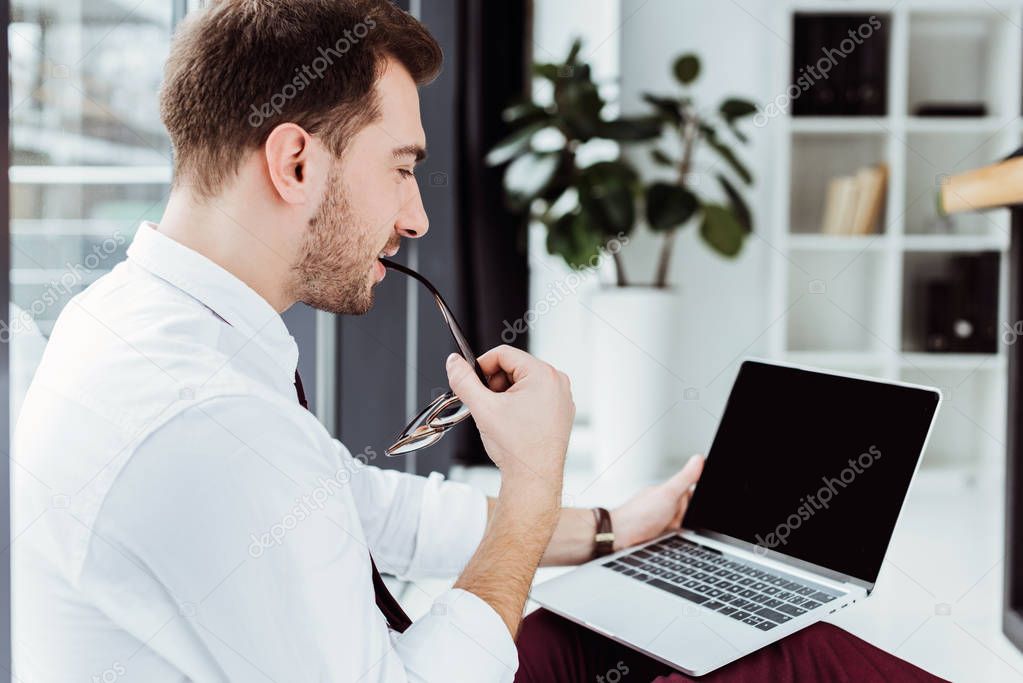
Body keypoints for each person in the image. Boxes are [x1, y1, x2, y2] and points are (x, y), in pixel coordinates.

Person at [12, 1, 945, 681]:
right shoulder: (204, 420)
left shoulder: (143, 321)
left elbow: (368, 510)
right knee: (790, 659)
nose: (416, 216)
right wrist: (530, 481)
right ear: (295, 161)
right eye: (402, 170)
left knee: (673, 638)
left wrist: (626, 524)